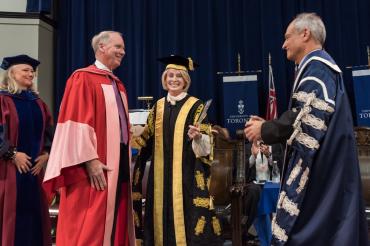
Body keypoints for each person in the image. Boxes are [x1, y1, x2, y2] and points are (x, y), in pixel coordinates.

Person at [244, 13, 369, 245]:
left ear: (305, 34)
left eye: (287, 37)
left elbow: (307, 123)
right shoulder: (319, 67)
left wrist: (266, 129)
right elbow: (302, 119)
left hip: (322, 174)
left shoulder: (318, 68)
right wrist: (269, 128)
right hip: (330, 168)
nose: (283, 44)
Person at [43, 31, 136, 245]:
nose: (123, 51)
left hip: (118, 163)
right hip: (93, 165)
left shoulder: (117, 83)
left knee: (115, 216)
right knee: (90, 220)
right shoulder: (83, 78)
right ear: (102, 47)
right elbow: (76, 125)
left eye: (123, 47)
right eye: (118, 47)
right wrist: (90, 160)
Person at [131, 55, 222, 245]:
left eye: (178, 76)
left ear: (185, 80)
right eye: (170, 75)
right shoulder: (158, 107)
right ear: (164, 79)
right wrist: (138, 133)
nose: (174, 79)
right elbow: (146, 141)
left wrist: (197, 137)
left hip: (187, 176)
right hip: (160, 178)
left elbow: (206, 148)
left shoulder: (195, 106)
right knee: (159, 220)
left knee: (189, 221)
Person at [0, 54, 53, 246]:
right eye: (26, 70)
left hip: (34, 172)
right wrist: (13, 154)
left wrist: (46, 155)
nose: (31, 74)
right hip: (7, 171)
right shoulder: (3, 100)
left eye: (33, 71)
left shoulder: (38, 103)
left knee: (34, 217)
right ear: (12, 73)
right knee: (10, 219)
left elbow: (49, 132)